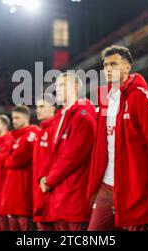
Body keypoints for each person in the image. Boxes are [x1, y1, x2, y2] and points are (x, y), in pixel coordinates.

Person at [87, 45, 148, 231]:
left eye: (114, 64)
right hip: (106, 184)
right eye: (105, 65)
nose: (108, 69)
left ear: (127, 67)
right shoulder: (104, 97)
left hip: (133, 185)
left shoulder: (139, 97)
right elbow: (100, 144)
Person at [39, 72, 97, 231]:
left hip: (75, 192)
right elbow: (52, 153)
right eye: (57, 86)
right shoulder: (59, 117)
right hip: (59, 194)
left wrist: (49, 180)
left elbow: (74, 156)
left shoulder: (83, 116)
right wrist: (42, 177)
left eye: (63, 85)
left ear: (76, 87)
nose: (58, 89)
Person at [1, 105, 40, 231]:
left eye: (17, 118)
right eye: (13, 118)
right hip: (14, 194)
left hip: (24, 194)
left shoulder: (31, 134)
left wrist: (8, 159)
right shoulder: (16, 137)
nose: (14, 121)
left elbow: (16, 160)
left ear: (26, 118)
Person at [33, 94, 57, 231]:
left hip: (50, 191)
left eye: (42, 106)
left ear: (53, 108)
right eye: (37, 107)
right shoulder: (40, 131)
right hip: (39, 193)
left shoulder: (56, 128)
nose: (37, 110)